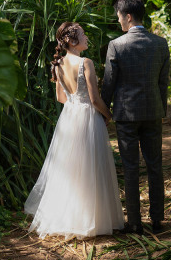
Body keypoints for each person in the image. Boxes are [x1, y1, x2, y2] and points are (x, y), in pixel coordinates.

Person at [24, 22, 125, 239]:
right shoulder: (85, 63)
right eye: (83, 34)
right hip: (88, 116)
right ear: (71, 40)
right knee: (90, 166)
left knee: (70, 169)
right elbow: (96, 99)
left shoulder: (58, 64)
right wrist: (109, 116)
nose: (87, 37)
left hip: (69, 117)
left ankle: (68, 218)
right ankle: (91, 220)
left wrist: (74, 102)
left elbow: (61, 98)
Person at [101, 0, 170, 235]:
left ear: (128, 17)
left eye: (119, 16)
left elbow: (109, 83)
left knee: (130, 168)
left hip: (126, 115)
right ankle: (158, 220)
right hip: (153, 112)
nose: (118, 20)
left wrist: (104, 110)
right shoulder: (160, 43)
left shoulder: (117, 45)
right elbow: (163, 82)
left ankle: (135, 223)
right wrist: (161, 108)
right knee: (155, 166)